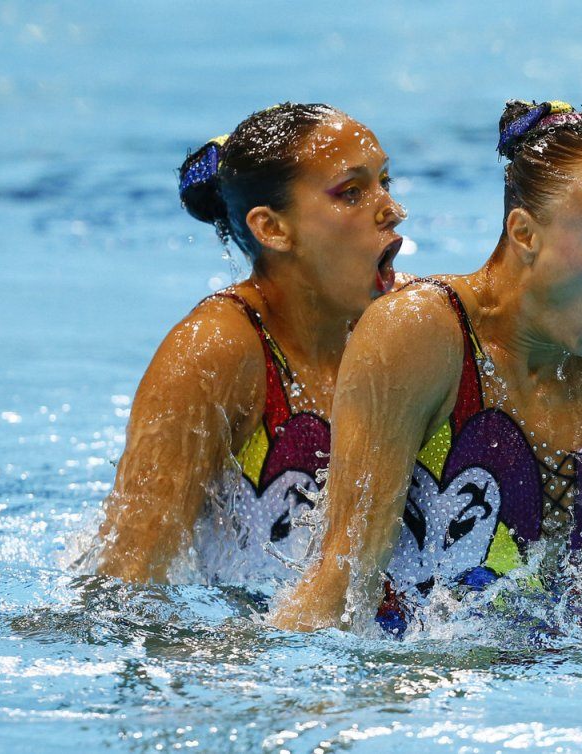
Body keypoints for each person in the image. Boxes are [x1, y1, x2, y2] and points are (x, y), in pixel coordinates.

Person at [271, 100, 582, 633]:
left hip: (572, 669)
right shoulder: (420, 332)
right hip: (422, 678)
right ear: (525, 234)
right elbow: (342, 579)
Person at [90, 103, 405, 583]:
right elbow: (124, 582)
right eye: (352, 192)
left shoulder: (408, 325)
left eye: (386, 182)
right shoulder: (214, 351)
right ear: (272, 228)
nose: (392, 208)